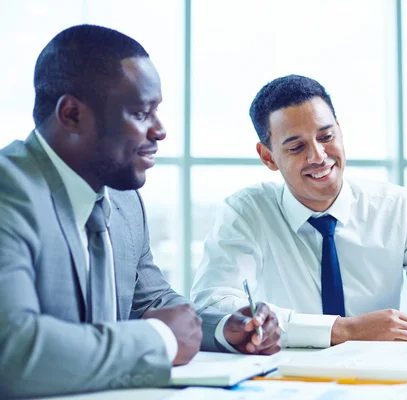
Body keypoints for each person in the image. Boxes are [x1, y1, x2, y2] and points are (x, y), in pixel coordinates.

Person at [0, 25, 280, 399]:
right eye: (140, 112)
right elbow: (14, 354)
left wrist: (226, 328)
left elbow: (152, 304)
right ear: (71, 114)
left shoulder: (123, 201)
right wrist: (161, 339)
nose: (160, 130)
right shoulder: (10, 194)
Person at [192, 74, 407, 349]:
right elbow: (213, 307)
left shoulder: (400, 209)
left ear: (340, 131)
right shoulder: (248, 212)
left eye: (326, 136)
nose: (318, 156)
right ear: (268, 156)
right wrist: (342, 331)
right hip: (286, 384)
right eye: (296, 147)